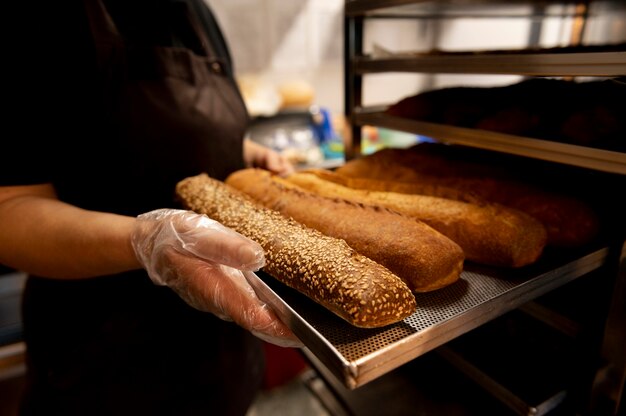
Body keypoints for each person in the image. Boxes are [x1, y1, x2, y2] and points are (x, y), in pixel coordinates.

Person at [1, 0, 301, 414]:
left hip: (222, 361)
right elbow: (9, 206)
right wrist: (144, 240)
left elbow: (173, 135)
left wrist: (243, 150)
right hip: (104, 369)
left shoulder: (197, 13)